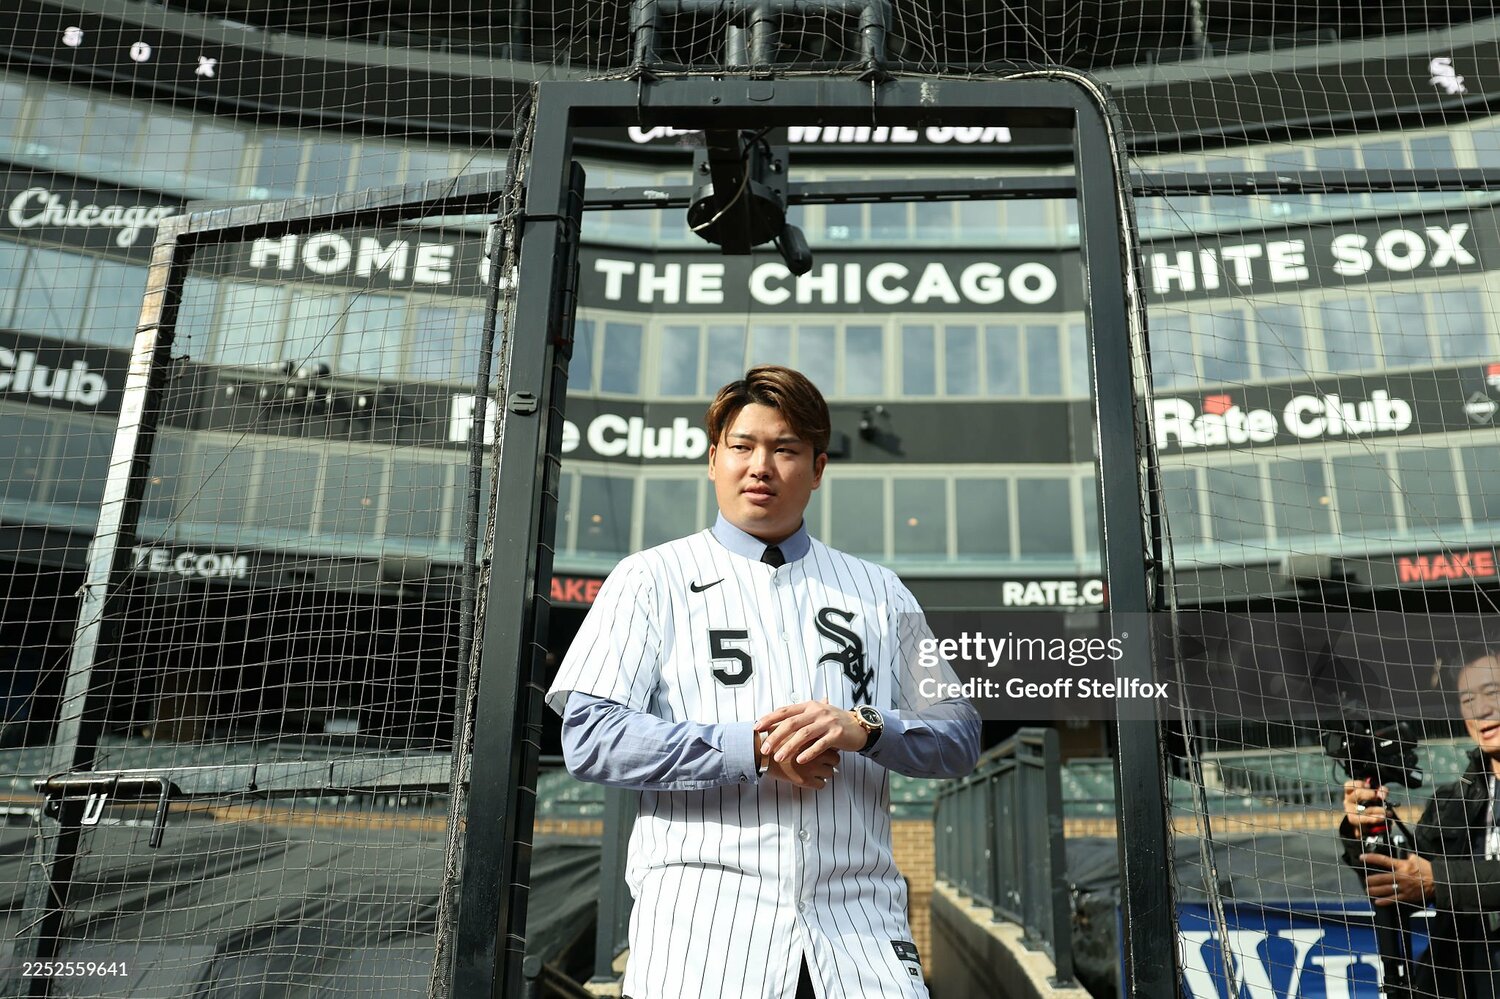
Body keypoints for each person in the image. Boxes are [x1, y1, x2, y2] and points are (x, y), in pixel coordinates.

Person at [546, 365, 981, 999]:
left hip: (857, 929)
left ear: (818, 467)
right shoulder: (650, 578)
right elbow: (590, 736)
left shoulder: (881, 590)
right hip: (701, 935)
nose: (761, 466)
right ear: (713, 459)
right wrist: (748, 748)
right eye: (742, 446)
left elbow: (960, 732)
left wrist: (865, 728)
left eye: (785, 449)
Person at [1341, 649, 1500, 996]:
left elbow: (1430, 881)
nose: (1481, 709)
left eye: (1493, 692)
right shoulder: (1452, 802)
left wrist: (1437, 881)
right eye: (1468, 698)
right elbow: (1402, 887)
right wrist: (1360, 830)